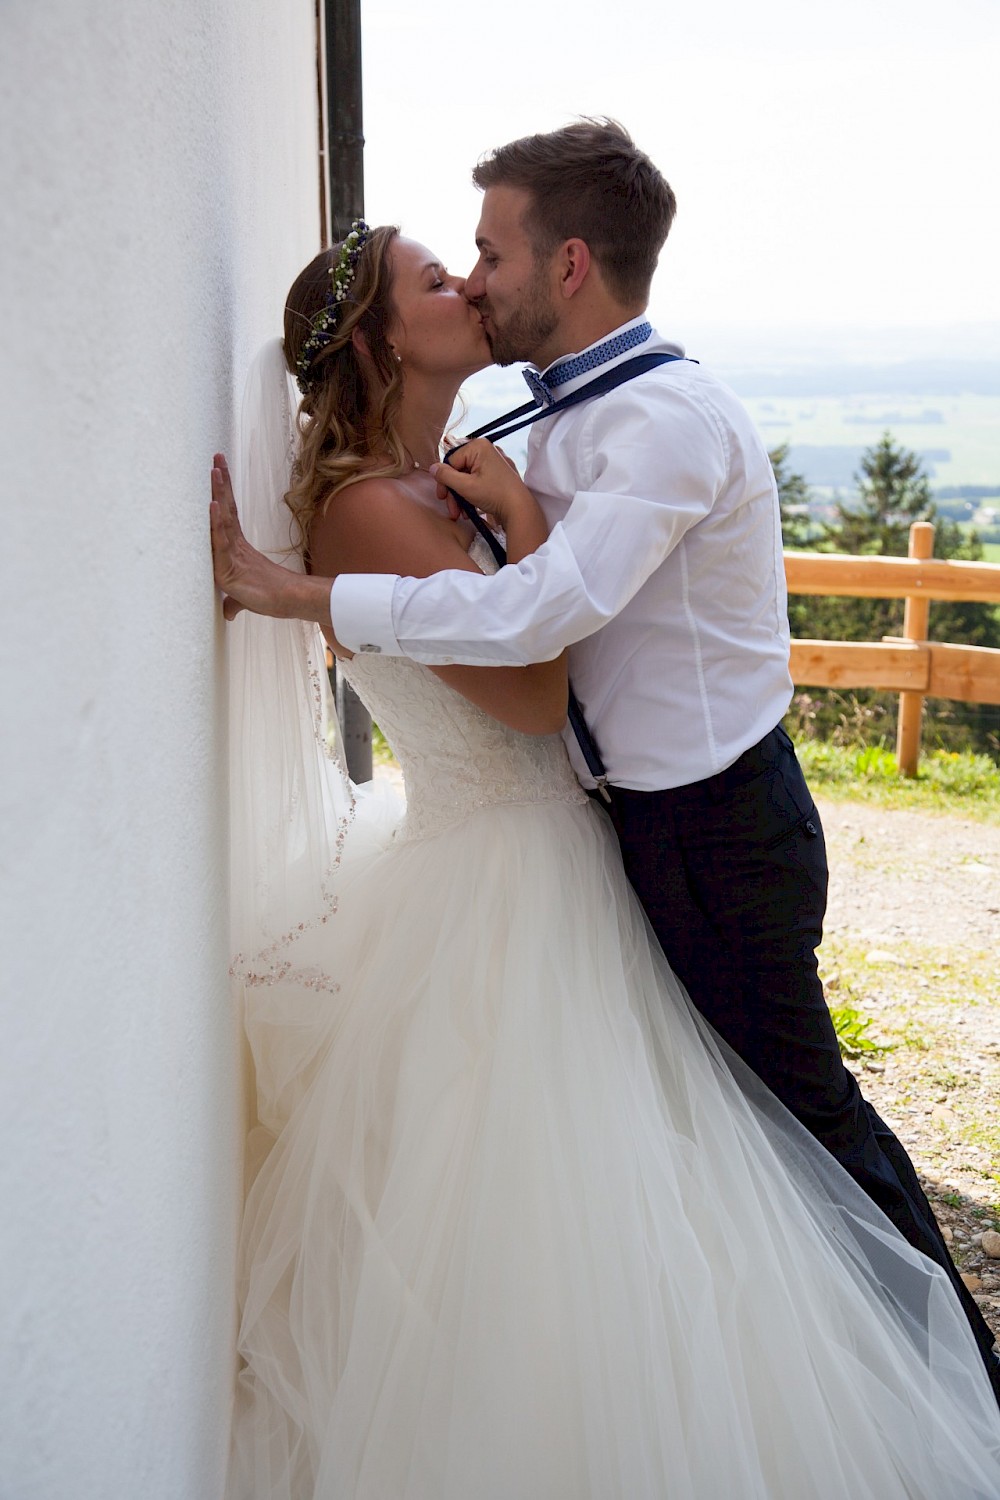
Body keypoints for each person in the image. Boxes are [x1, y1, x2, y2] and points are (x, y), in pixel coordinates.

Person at [212, 119, 1000, 1402]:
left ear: (567, 264)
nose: (471, 281)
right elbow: (528, 684)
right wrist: (487, 521)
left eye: (482, 254)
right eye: (443, 271)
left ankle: (952, 1379)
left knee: (796, 1116)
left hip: (711, 828)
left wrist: (345, 579)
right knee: (660, 1163)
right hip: (556, 852)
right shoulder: (458, 465)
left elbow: (532, 634)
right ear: (377, 344)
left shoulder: (649, 424)